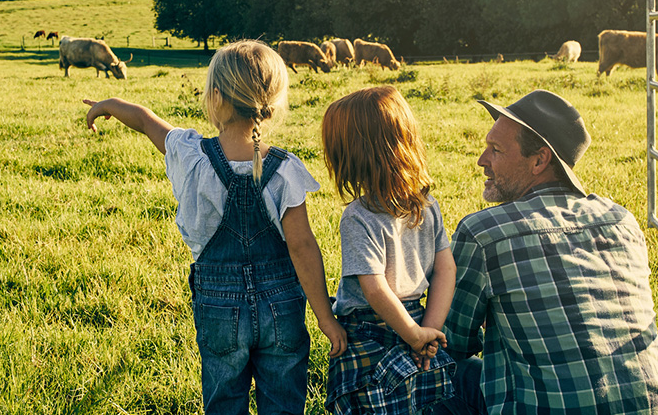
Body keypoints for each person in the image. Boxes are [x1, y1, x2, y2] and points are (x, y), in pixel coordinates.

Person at [83, 40, 346, 414]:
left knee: (224, 401)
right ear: (271, 103)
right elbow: (302, 246)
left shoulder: (191, 156)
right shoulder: (286, 168)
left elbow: (145, 120)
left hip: (218, 306)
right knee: (285, 402)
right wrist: (325, 317)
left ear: (216, 98)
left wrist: (109, 104)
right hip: (283, 307)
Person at [440, 90, 658, 414]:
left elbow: (451, 342)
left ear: (539, 160)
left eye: (495, 150)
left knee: (437, 373)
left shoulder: (484, 233)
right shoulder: (621, 220)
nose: (482, 160)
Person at [319, 86, 457, 414]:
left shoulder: (358, 216)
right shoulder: (427, 206)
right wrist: (429, 334)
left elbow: (375, 289)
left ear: (352, 156)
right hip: (416, 321)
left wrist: (415, 335)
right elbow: (445, 270)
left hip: (371, 333)